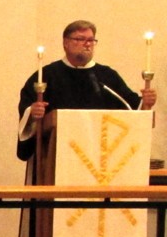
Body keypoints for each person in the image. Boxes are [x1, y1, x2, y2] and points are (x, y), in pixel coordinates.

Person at [17, 19, 157, 162]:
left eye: (91, 40)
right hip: (55, 158)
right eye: (80, 39)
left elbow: (131, 111)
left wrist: (146, 104)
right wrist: (33, 114)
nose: (88, 44)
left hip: (101, 159)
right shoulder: (46, 76)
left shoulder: (106, 76)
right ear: (65, 43)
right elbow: (28, 112)